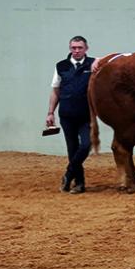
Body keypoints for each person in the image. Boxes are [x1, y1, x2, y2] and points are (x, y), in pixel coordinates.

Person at [47, 36, 95, 194]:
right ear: (70, 49)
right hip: (67, 114)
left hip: (86, 114)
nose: (76, 51)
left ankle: (68, 174)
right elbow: (55, 91)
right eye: (73, 48)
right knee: (72, 149)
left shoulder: (93, 64)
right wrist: (50, 112)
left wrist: (99, 60)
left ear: (86, 48)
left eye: (80, 47)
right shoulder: (61, 66)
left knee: (86, 145)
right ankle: (79, 183)